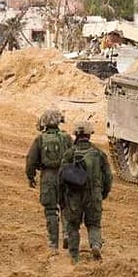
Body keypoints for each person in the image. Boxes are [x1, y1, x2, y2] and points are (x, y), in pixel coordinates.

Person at [61, 121, 112, 263]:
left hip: (74, 196)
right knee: (94, 224)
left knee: (72, 225)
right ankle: (95, 245)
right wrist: (103, 193)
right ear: (89, 135)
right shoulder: (99, 154)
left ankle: (73, 253)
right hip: (94, 195)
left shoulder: (69, 154)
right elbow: (108, 177)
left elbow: (61, 177)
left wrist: (62, 198)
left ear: (76, 135)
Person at [25, 108, 73, 253]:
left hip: (48, 176)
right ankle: (67, 234)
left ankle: (53, 244)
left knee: (51, 210)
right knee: (66, 207)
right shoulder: (66, 138)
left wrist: (31, 176)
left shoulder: (40, 140)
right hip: (65, 175)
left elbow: (31, 160)